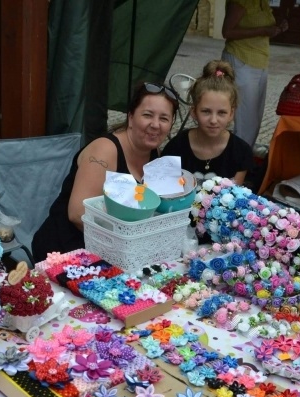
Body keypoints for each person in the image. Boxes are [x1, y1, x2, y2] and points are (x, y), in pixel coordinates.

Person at [31, 82, 178, 262]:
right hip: (65, 250)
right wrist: (127, 243)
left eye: (164, 118)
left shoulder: (156, 155)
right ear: (131, 117)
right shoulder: (105, 150)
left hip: (116, 253)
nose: (155, 125)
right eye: (147, 115)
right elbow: (78, 214)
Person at [162, 60, 252, 187]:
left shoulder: (241, 152)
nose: (213, 120)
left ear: (231, 114)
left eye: (221, 113)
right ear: (194, 111)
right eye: (206, 111)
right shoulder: (177, 147)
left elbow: (235, 195)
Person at [221, 0, 288, 148]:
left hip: (260, 62)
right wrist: (263, 30)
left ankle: (245, 154)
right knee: (246, 118)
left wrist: (277, 29)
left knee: (255, 117)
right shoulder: (241, 2)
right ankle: (239, 160)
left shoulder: (262, 2)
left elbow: (262, 29)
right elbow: (227, 32)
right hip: (241, 60)